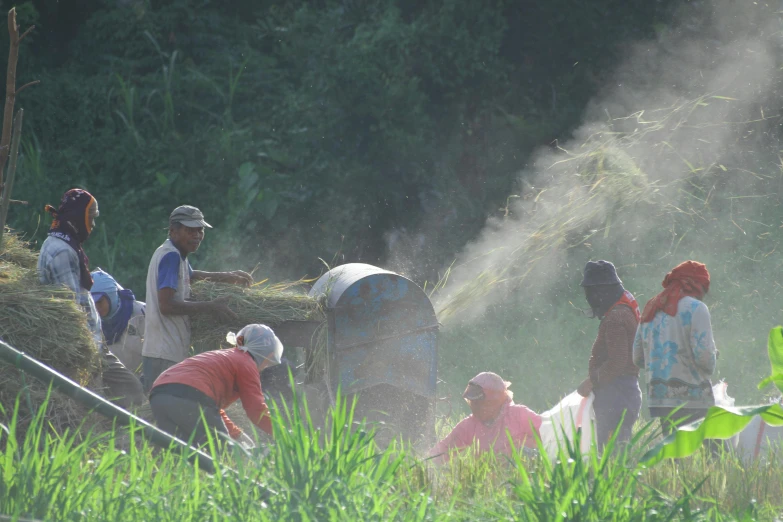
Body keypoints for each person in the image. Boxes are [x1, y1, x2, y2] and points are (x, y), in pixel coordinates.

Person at [38, 188, 144, 409]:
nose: (93, 225)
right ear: (77, 217)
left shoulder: (61, 243)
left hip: (94, 344)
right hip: (84, 347)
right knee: (126, 393)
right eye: (90, 218)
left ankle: (118, 437)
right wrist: (87, 353)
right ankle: (119, 438)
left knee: (125, 393)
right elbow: (71, 308)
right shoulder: (63, 252)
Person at [141, 205, 254, 391]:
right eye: (190, 230)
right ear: (173, 231)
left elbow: (190, 276)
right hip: (164, 352)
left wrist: (228, 276)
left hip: (165, 350)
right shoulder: (171, 256)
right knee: (163, 412)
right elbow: (166, 305)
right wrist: (211, 306)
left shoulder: (174, 254)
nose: (197, 235)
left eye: (200, 230)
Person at [149, 324, 282, 446]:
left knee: (183, 453)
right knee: (223, 454)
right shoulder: (246, 363)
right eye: (268, 362)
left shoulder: (224, 356)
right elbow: (256, 410)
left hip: (160, 395)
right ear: (266, 355)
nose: (265, 367)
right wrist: (285, 435)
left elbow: (211, 408)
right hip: (189, 397)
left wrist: (236, 434)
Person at [633, 260, 717, 435]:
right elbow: (705, 358)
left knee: (674, 455)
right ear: (696, 285)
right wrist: (714, 356)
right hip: (693, 399)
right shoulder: (697, 308)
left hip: (661, 399)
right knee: (709, 453)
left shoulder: (652, 307)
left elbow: (637, 357)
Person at [576, 260, 641, 449]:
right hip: (625, 390)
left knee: (611, 452)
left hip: (616, 394)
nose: (590, 298)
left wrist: (591, 381)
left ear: (602, 291)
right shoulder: (624, 310)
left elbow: (618, 361)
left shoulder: (616, 318)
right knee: (617, 447)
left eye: (592, 292)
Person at [428, 372, 541, 463]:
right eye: (473, 403)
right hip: (491, 482)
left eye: (479, 402)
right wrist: (421, 465)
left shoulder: (518, 414)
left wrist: (522, 447)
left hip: (522, 478)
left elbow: (548, 435)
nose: (475, 407)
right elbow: (444, 449)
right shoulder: (470, 425)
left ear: (495, 400)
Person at [90, 268, 146, 375]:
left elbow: (157, 352)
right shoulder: (92, 324)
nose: (96, 307)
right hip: (117, 387)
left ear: (111, 296)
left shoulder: (140, 313)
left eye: (100, 302)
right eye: (92, 302)